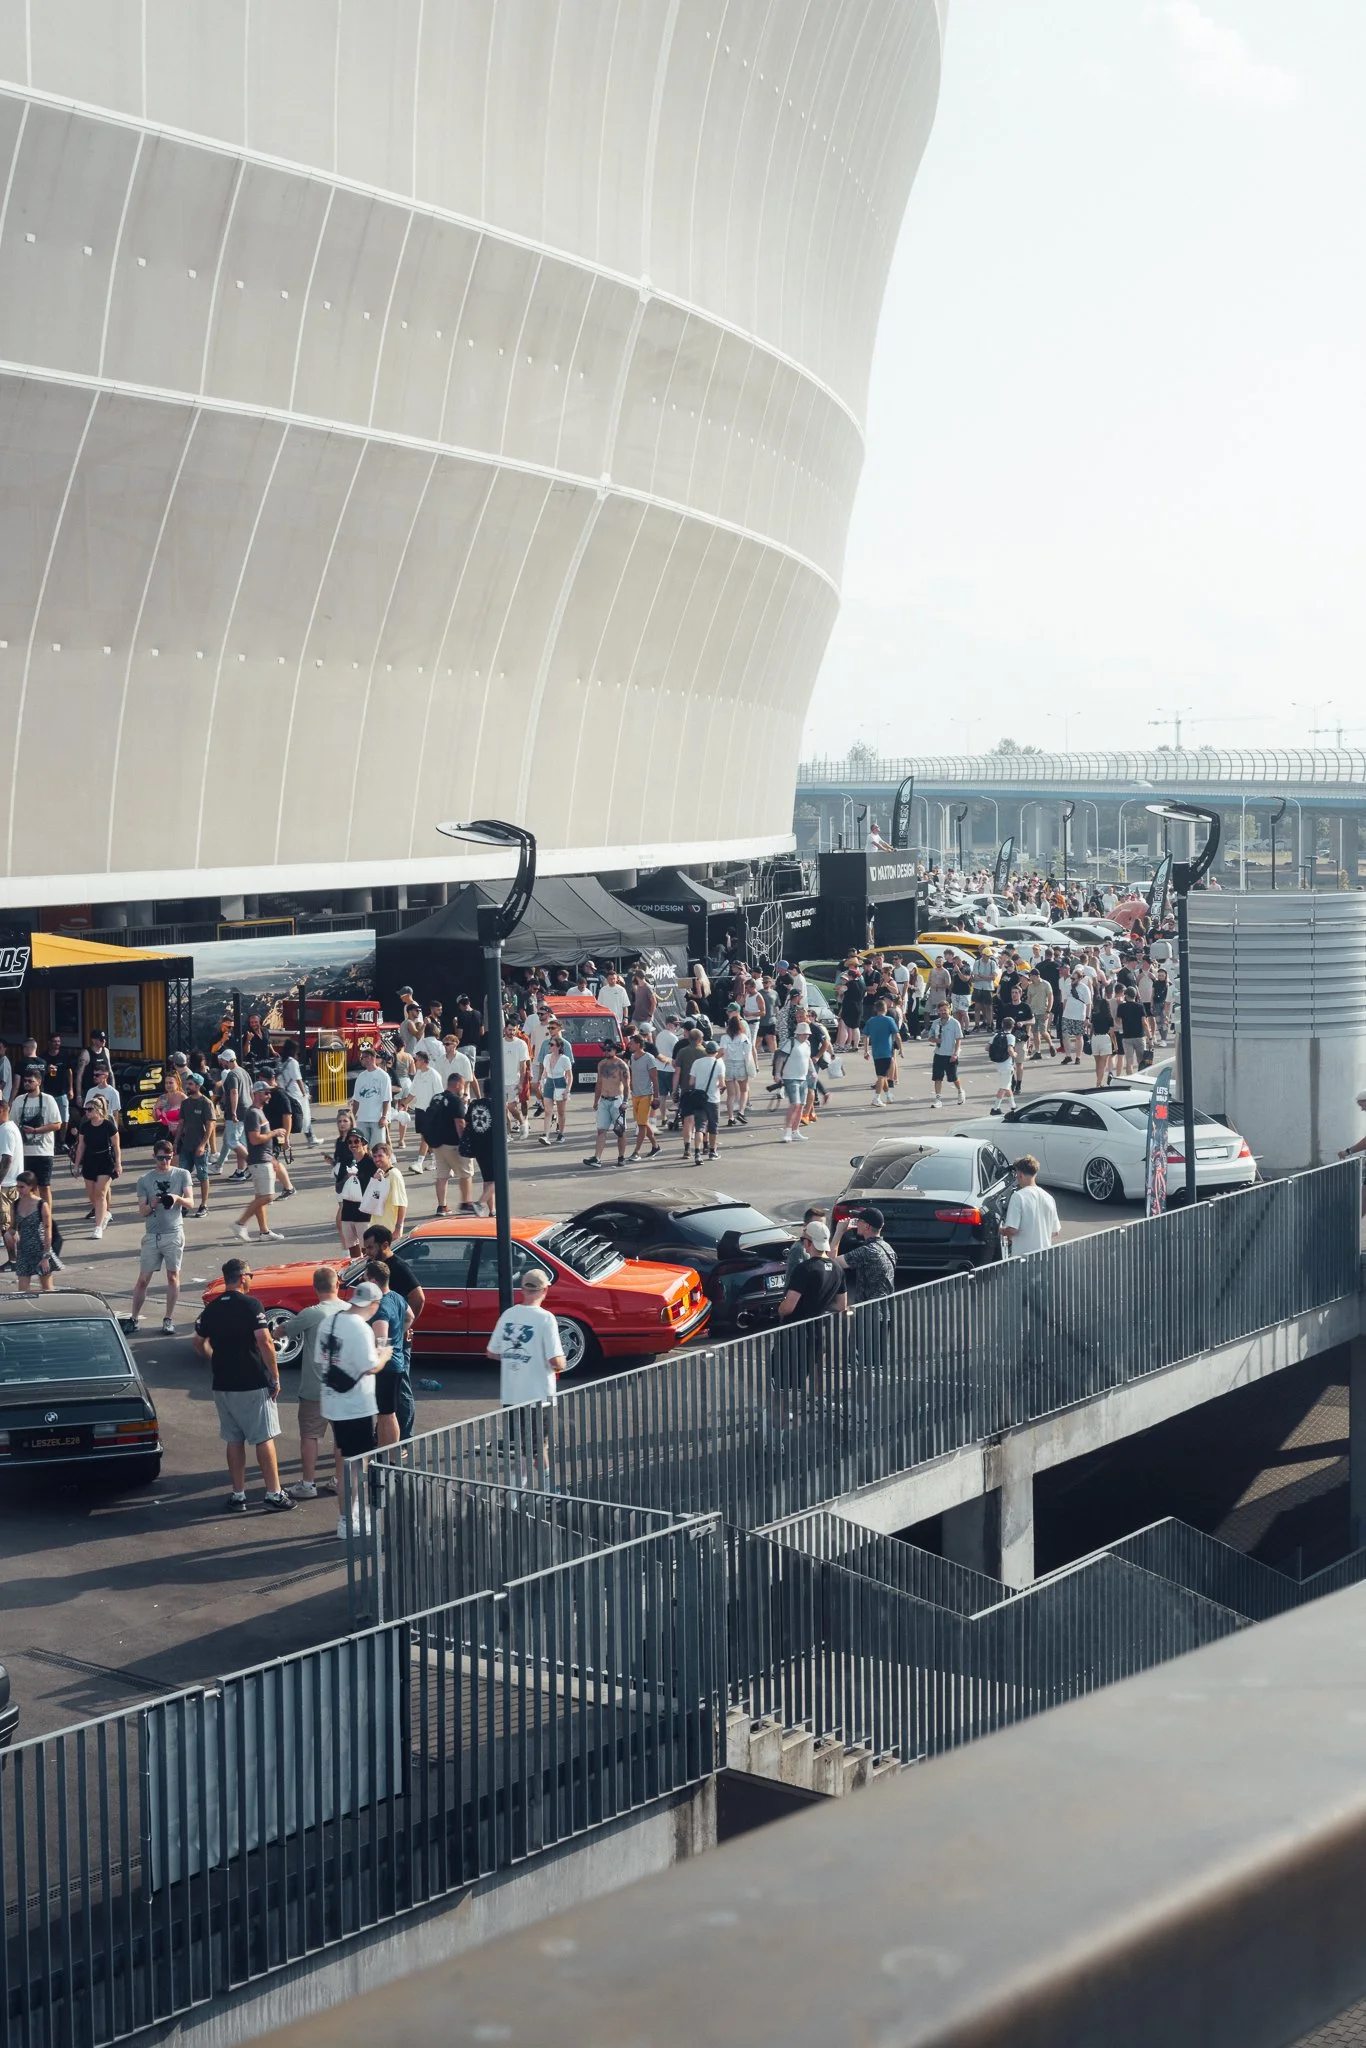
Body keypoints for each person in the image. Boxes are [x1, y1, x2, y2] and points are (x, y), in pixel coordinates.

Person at [193, 1258, 296, 1513]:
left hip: (222, 1384)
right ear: (242, 1278)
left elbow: (199, 1342)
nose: (251, 1279)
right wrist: (275, 1376)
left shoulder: (213, 1308)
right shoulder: (252, 1305)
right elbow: (265, 1341)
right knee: (263, 1437)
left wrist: (214, 1358)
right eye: (250, 1275)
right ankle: (273, 1493)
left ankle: (238, 1495)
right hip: (251, 1382)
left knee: (233, 1439)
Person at [317, 1281, 389, 1538]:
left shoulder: (330, 1322)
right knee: (356, 1467)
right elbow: (371, 1366)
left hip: (333, 1401)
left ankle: (349, 1516)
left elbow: (321, 1359)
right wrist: (385, 1353)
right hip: (356, 1405)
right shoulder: (360, 1328)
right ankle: (350, 1519)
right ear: (374, 1304)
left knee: (343, 1462)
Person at [486, 1265, 565, 1476]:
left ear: (522, 1289)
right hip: (538, 1396)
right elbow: (556, 1360)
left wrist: (515, 1357)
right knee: (540, 1447)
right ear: (545, 1290)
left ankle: (516, 1491)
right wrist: (561, 1363)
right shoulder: (546, 1318)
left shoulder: (508, 1315)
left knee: (522, 1449)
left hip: (512, 1396)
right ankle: (548, 1489)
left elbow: (492, 1352)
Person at [360, 1222, 425, 1438]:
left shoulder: (397, 1267)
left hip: (392, 1343)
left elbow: (418, 1297)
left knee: (400, 1390)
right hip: (389, 1338)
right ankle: (385, 1436)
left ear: (385, 1245)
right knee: (388, 1397)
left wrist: (405, 1329)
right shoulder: (376, 1265)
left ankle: (403, 1437)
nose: (367, 1252)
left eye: (370, 1248)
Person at [287, 1266, 346, 1498]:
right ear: (337, 1285)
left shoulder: (311, 1313)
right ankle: (340, 1480)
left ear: (315, 1288)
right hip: (343, 1387)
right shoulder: (351, 1311)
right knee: (341, 1437)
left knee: (310, 1436)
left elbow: (282, 1331)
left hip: (314, 1387)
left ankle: (308, 1484)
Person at [125, 1136, 193, 1334]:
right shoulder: (144, 1180)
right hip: (152, 1235)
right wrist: (153, 1204)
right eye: (161, 1158)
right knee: (143, 1279)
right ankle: (134, 1318)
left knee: (173, 1276)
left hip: (173, 1232)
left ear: (173, 1156)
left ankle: (168, 1318)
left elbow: (191, 1203)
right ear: (154, 1157)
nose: (164, 1162)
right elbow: (143, 1211)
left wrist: (176, 1198)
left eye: (168, 1158)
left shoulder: (182, 1174)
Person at [365, 1257, 414, 1449]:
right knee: (388, 1413)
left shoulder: (381, 1307)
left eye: (365, 1279)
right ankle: (388, 1453)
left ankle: (388, 1455)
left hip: (385, 1368)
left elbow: (381, 1339)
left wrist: (374, 1363)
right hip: (397, 1362)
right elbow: (409, 1316)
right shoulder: (396, 1297)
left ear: (373, 1281)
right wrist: (400, 1333)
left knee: (385, 1414)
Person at [235, 1079, 287, 1242]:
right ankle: (240, 1223)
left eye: (269, 1092)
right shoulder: (253, 1113)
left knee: (260, 1197)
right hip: (259, 1161)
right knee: (268, 1196)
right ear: (256, 1094)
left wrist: (272, 1158)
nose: (269, 1095)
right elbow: (255, 1139)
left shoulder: (259, 1112)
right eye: (266, 1092)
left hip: (263, 1159)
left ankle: (264, 1232)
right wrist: (274, 1133)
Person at [73, 1093, 121, 1238]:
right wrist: (76, 1165)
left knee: (100, 1193)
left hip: (105, 1160)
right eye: (85, 1110)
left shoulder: (108, 1125)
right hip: (89, 1160)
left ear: (98, 1110)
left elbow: (116, 1146)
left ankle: (98, 1227)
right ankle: (104, 1213)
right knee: (92, 1195)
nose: (87, 1112)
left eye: (90, 1109)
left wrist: (118, 1164)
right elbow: (81, 1146)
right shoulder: (85, 1126)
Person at [831, 1206, 897, 1305]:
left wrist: (839, 1232)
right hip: (885, 1309)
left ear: (867, 1227)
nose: (856, 1223)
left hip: (868, 1311)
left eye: (859, 1220)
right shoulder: (888, 1248)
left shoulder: (867, 1251)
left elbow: (831, 1263)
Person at [1002, 1155, 1061, 1258]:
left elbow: (1012, 1229)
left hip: (1023, 1258)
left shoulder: (1018, 1197)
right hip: (1044, 1256)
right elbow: (1055, 1232)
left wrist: (1002, 1231)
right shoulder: (1049, 1197)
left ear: (1020, 1174)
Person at [12, 1070, 62, 1189]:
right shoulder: (18, 1100)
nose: (26, 1083)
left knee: (44, 1187)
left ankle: (45, 1203)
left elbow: (57, 1124)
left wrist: (36, 1130)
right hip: (23, 1152)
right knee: (27, 1187)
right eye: (25, 1081)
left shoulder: (48, 1099)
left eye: (30, 1081)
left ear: (39, 1082)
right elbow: (12, 1124)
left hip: (43, 1152)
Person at [176, 1070, 215, 1218]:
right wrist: (176, 1142)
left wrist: (203, 1145)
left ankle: (204, 1205)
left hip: (200, 1146)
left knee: (202, 1175)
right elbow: (181, 1123)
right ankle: (185, 1204)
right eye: (187, 1083)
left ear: (198, 1086)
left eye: (191, 1084)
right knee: (183, 1175)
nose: (188, 1086)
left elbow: (210, 1126)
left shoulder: (206, 1103)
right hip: (186, 1145)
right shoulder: (185, 1103)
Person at [586, 1042, 631, 1168]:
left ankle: (621, 1156)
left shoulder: (621, 1065)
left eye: (609, 1050)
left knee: (620, 1130)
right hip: (604, 1100)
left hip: (617, 1100)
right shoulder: (601, 1064)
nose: (606, 1052)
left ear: (615, 1050)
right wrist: (596, 1101)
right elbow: (599, 1083)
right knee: (601, 1130)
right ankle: (597, 1158)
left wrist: (625, 1102)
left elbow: (627, 1085)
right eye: (604, 1050)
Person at [13, 1169, 55, 1293]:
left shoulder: (41, 1204)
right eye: (17, 1186)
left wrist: (46, 1256)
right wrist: (9, 1234)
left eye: (22, 1187)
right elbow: (13, 1227)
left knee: (47, 1289)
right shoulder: (15, 1204)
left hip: (40, 1250)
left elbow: (48, 1230)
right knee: (22, 1291)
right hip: (23, 1250)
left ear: (31, 1186)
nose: (19, 1190)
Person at [214, 1049, 253, 1178]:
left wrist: (233, 1112)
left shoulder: (232, 1074)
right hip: (247, 1109)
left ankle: (253, 1164)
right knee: (240, 1142)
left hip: (237, 1111)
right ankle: (240, 1171)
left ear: (227, 1060)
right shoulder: (244, 1072)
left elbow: (234, 1092)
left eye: (223, 1061)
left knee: (232, 1141)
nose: (222, 1063)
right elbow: (251, 1091)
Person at [336, 1127, 376, 1250]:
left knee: (367, 1249)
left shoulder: (370, 1162)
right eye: (350, 1142)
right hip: (347, 1212)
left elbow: (378, 1186)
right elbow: (338, 1188)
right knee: (353, 1250)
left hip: (364, 1212)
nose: (353, 1144)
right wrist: (347, 1177)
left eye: (356, 1141)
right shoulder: (346, 1162)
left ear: (363, 1142)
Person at [406, 1048, 443, 1172]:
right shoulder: (418, 1074)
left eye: (415, 1060)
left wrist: (436, 1112)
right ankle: (435, 1161)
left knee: (426, 1137)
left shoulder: (434, 1075)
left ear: (422, 1061)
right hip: (420, 1109)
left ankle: (419, 1163)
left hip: (430, 1111)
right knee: (426, 1136)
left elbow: (439, 1095)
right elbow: (412, 1093)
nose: (414, 1062)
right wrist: (403, 1104)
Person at [536, 1027, 574, 1146]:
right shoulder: (547, 1057)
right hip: (549, 1084)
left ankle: (561, 1134)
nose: (550, 1046)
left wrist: (567, 1090)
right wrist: (541, 1082)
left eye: (552, 1044)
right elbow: (545, 1072)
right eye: (550, 1044)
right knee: (548, 1111)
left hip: (560, 1083)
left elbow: (570, 1076)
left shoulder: (565, 1059)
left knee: (561, 1112)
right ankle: (546, 1135)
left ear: (558, 1047)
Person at [862, 998, 902, 1110]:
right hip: (886, 1052)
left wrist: (866, 1050)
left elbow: (865, 1036)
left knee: (882, 1075)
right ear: (885, 1009)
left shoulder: (871, 1021)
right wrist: (901, 1049)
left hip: (876, 1052)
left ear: (876, 1009)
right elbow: (897, 1035)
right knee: (882, 1076)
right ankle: (876, 1097)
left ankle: (888, 1095)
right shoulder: (889, 1020)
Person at [363, 1139, 408, 1237]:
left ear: (388, 1156)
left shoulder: (394, 1174)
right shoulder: (379, 1173)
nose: (376, 1159)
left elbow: (402, 1204)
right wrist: (375, 1182)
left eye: (380, 1156)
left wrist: (398, 1228)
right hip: (376, 1227)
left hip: (390, 1228)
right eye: (374, 1156)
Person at [349, 1048, 391, 1148]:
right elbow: (356, 1099)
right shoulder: (361, 1076)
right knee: (362, 1148)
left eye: (364, 1057)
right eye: (362, 1058)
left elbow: (386, 1099)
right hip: (362, 1118)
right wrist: (353, 1116)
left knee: (377, 1147)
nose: (362, 1060)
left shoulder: (383, 1076)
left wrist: (384, 1117)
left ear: (371, 1058)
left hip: (377, 1119)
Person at [928, 1001, 966, 1108]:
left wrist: (956, 1054)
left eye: (945, 1010)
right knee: (937, 1077)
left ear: (949, 1010)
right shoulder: (935, 1023)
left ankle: (960, 1091)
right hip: (938, 1054)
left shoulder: (955, 1023)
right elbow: (930, 1037)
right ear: (938, 1011)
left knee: (953, 1077)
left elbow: (958, 1039)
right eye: (941, 1010)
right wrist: (935, 1040)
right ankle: (938, 1099)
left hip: (950, 1055)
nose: (943, 1012)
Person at [721, 1012, 757, 1126]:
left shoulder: (724, 1038)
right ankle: (741, 1111)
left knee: (730, 1095)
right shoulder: (743, 1037)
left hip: (728, 1065)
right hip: (741, 1065)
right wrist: (751, 1066)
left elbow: (723, 1052)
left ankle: (730, 1117)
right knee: (744, 1090)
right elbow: (748, 1053)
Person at [277, 1039, 315, 1146]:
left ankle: (282, 1142)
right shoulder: (293, 1062)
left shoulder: (280, 1061)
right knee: (305, 1116)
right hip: (295, 1094)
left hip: (284, 1093)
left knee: (284, 1120)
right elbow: (298, 1079)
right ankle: (311, 1139)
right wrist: (304, 1094)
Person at [779, 1021, 812, 1141]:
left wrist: (813, 1072)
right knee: (795, 1104)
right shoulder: (790, 1042)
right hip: (790, 1077)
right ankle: (787, 1132)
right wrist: (777, 1074)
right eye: (804, 1034)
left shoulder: (807, 1044)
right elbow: (780, 1059)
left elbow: (808, 1059)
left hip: (803, 1078)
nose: (807, 1036)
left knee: (801, 1105)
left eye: (807, 1034)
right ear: (798, 1034)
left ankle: (795, 1131)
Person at [0, 1098, 22, 1266]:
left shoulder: (6, 1130)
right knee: (11, 1225)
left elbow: (7, 1159)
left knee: (6, 1226)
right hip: (12, 1183)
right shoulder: (11, 1127)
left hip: (7, 1186)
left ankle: (13, 1260)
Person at [987, 1022, 1015, 1114]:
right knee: (1004, 1087)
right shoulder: (1011, 1037)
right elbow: (1010, 1050)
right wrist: (1015, 1054)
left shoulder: (996, 1035)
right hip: (1007, 1065)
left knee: (1007, 1085)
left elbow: (987, 1048)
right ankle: (995, 1108)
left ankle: (1013, 1106)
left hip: (998, 1064)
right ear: (1012, 1026)